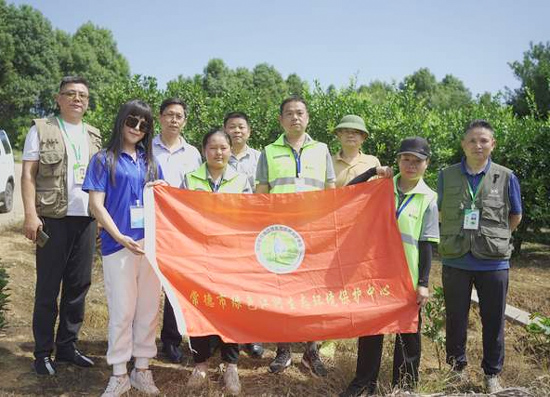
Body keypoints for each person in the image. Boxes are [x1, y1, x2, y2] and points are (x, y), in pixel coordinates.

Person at [341, 137, 439, 397]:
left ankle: (404, 387)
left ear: (426, 165)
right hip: (376, 272)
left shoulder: (428, 198)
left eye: (417, 161)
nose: (411, 164)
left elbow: (427, 243)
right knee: (372, 329)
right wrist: (373, 171)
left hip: (408, 274)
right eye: (406, 159)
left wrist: (424, 283)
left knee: (408, 332)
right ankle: (364, 382)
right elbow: (348, 192)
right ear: (397, 161)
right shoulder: (381, 187)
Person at [83, 100, 165, 397]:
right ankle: (119, 373)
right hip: (119, 245)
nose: (137, 128)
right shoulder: (103, 159)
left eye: (144, 125)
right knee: (122, 310)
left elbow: (164, 205)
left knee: (147, 310)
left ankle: (142, 368)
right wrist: (119, 237)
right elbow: (96, 205)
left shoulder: (151, 162)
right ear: (121, 121)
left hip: (149, 248)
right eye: (132, 121)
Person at [21, 76, 100, 375]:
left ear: (88, 101)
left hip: (86, 218)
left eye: (82, 95)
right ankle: (42, 353)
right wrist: (31, 214)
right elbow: (28, 174)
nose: (77, 99)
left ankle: (67, 346)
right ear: (58, 98)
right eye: (70, 94)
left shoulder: (94, 134)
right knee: (48, 287)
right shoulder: (41, 129)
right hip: (53, 218)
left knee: (78, 286)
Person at [437, 120, 522, 394]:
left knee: (494, 320)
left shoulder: (507, 176)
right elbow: (439, 213)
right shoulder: (446, 175)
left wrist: (493, 238)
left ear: (492, 144)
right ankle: (456, 369)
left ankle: (491, 374)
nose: (478, 145)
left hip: (494, 262)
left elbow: (515, 216)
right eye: (472, 140)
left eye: (484, 140)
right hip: (455, 259)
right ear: (463, 144)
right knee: (455, 318)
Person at [256, 96, 335, 377]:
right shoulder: (268, 152)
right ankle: (284, 349)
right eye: (288, 114)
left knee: (314, 290)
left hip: (314, 234)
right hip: (281, 236)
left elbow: (330, 194)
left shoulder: (322, 150)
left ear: (308, 117)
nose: (294, 118)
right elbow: (261, 196)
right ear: (280, 120)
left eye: (300, 113)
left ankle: (311, 351)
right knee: (283, 292)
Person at [183, 129, 251, 396]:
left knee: (231, 308)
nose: (219, 152)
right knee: (199, 305)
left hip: (231, 255)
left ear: (230, 151)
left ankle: (230, 364)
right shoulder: (189, 179)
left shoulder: (241, 180)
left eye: (224, 147)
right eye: (213, 147)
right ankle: (199, 363)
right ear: (204, 150)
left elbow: (249, 216)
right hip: (198, 255)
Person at [152, 97, 201, 363]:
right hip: (148, 224)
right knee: (147, 284)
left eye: (178, 116)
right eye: (169, 114)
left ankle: (171, 340)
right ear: (160, 117)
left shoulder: (193, 154)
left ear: (184, 121)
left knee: (174, 284)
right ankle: (142, 340)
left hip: (179, 228)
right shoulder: (146, 148)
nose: (173, 120)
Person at [223, 111, 264, 359]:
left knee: (252, 284)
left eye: (241, 127)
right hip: (224, 231)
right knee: (227, 284)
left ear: (249, 131)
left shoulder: (260, 157)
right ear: (225, 130)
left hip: (252, 230)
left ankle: (252, 336)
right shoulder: (216, 154)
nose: (236, 131)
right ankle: (226, 336)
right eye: (231, 127)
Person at [331, 114, 381, 187]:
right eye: (346, 131)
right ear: (339, 136)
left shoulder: (372, 162)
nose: (350, 135)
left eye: (356, 132)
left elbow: (379, 190)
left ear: (363, 138)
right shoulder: (329, 163)